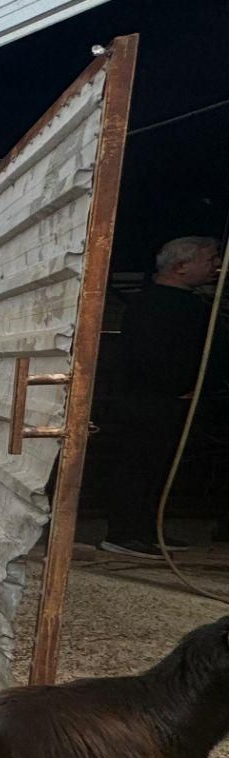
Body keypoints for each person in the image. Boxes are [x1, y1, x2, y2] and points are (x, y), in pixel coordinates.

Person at [101, 235, 225, 557]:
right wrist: (179, 385)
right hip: (147, 403)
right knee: (136, 466)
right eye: (210, 260)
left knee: (161, 467)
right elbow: (150, 357)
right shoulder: (150, 305)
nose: (216, 266)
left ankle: (148, 530)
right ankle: (125, 532)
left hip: (172, 401)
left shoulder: (194, 305)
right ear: (181, 266)